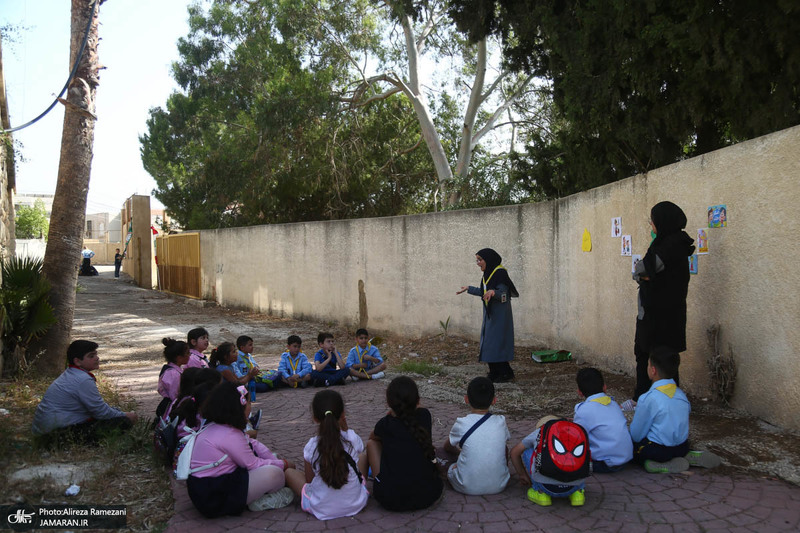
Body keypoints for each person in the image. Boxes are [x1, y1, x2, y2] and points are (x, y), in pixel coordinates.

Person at [185, 382, 304, 517]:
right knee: (275, 474)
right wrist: (284, 464)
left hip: (204, 490)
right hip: (215, 496)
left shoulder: (215, 426)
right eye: (249, 403)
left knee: (270, 464)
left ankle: (256, 495)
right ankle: (257, 500)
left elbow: (253, 444)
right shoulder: (229, 434)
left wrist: (274, 459)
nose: (250, 407)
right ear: (239, 407)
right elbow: (253, 464)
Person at [631, 201, 695, 402]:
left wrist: (645, 275)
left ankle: (643, 397)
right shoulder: (678, 243)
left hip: (657, 315)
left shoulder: (668, 246)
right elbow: (647, 272)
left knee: (651, 356)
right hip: (669, 313)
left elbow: (642, 270)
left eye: (653, 222)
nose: (652, 226)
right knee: (665, 358)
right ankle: (670, 398)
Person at [630, 346, 721, 473]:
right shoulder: (681, 395)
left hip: (657, 450)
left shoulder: (648, 398)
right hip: (682, 446)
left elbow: (636, 434)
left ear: (653, 370)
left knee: (631, 448)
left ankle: (657, 464)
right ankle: (687, 455)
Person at [32, 340, 138, 443]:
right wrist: (125, 415)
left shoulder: (71, 374)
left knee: (115, 414)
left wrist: (117, 412)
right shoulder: (83, 380)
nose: (97, 358)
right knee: (124, 422)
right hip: (57, 435)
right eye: (91, 356)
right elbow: (101, 412)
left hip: (45, 432)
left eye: (96, 354)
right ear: (77, 361)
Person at [363, 376, 443, 511]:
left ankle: (368, 484)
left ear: (389, 403)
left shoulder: (386, 424)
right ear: (418, 400)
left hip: (390, 498)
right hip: (429, 494)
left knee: (371, 444)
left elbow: (373, 437)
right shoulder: (425, 416)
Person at [297, 390, 369, 520]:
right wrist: (346, 430)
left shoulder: (311, 446)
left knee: (290, 473)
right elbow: (358, 449)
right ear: (343, 415)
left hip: (321, 507)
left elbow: (309, 481)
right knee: (362, 456)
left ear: (315, 418)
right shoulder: (352, 439)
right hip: (356, 504)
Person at [457, 248, 519, 382]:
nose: (478, 263)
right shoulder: (488, 274)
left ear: (489, 260)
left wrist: (494, 293)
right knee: (489, 344)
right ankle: (494, 372)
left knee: (496, 344)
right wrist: (469, 288)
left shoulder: (500, 274)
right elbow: (484, 292)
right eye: (477, 260)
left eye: (480, 260)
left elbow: (504, 295)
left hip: (500, 317)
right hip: (490, 316)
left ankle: (504, 373)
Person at [442, 377, 510, 495]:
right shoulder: (501, 421)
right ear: (494, 400)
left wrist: (459, 454)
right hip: (500, 485)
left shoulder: (461, 423)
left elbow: (447, 447)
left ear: (466, 399)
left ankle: (449, 471)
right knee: (504, 448)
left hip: (466, 486)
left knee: (439, 453)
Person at [510, 415, 588, 507]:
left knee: (528, 451)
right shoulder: (575, 432)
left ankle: (540, 493)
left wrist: (522, 475)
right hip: (574, 486)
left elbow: (514, 452)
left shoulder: (539, 432)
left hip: (546, 487)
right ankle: (578, 494)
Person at [573, 368, 632, 473]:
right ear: (605, 387)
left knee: (572, 458)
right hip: (626, 459)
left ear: (579, 392)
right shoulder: (613, 404)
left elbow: (577, 438)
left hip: (606, 464)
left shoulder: (583, 410)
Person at [156, 338, 191, 418]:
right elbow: (175, 395)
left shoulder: (171, 369)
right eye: (187, 353)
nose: (189, 355)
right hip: (171, 407)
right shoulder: (173, 374)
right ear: (179, 358)